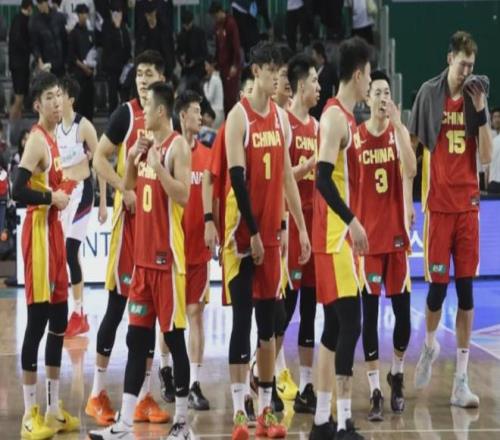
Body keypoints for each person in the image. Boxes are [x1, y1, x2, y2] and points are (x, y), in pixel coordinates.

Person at [89, 81, 193, 440]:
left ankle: (182, 424)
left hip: (168, 262)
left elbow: (183, 196)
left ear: (161, 111)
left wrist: (158, 167)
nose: (142, 112)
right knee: (136, 340)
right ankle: (124, 423)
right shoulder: (144, 143)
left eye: (147, 107)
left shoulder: (178, 147)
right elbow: (130, 187)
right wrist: (133, 157)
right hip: (142, 263)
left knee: (175, 340)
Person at [224, 41, 311, 440]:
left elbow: (288, 176)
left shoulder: (280, 119)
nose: (277, 77)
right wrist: (254, 233)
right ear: (256, 71)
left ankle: (263, 412)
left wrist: (301, 228)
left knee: (268, 325)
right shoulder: (238, 117)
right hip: (242, 237)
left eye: (280, 70)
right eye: (271, 69)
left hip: (272, 237)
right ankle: (238, 411)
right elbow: (237, 179)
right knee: (242, 321)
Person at [410, 31, 492, 407]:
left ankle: (461, 379)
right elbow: (412, 149)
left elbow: (486, 157)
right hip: (438, 207)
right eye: (462, 65)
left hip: (468, 207)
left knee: (467, 291)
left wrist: (482, 108)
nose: (466, 72)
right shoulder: (430, 94)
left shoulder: (476, 97)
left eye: (471, 66)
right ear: (449, 59)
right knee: (437, 292)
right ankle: (429, 345)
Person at [87, 50, 168, 426]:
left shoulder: (165, 119)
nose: (142, 79)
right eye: (139, 74)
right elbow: (98, 159)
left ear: (161, 77)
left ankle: (144, 396)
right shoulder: (126, 114)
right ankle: (96, 393)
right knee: (117, 307)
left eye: (149, 73)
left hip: (157, 230)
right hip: (130, 229)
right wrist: (123, 187)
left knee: (149, 313)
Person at [309, 36, 371, 440]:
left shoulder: (347, 118)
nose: (370, 81)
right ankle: (344, 422)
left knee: (333, 329)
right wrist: (352, 222)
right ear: (358, 74)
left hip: (340, 239)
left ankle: (321, 423)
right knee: (352, 323)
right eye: (369, 74)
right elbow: (322, 178)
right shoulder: (334, 117)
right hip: (334, 239)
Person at [12, 71, 80, 440]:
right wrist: (51, 197)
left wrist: (65, 186)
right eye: (50, 97)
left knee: (59, 319)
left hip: (53, 233)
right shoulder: (38, 140)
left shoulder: (53, 139)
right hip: (38, 234)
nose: (57, 103)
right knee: (37, 323)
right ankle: (29, 413)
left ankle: (53, 410)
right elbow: (17, 190)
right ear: (37, 104)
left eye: (59, 96)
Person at [356, 70, 416, 421]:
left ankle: (397, 373)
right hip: (368, 241)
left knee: (404, 318)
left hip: (395, 238)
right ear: (367, 99)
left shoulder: (398, 133)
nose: (383, 97)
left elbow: (411, 169)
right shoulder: (357, 138)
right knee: (369, 318)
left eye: (387, 93)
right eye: (377, 92)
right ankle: (375, 389)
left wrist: (399, 127)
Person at [277, 53, 320, 415]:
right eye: (315, 82)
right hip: (290, 226)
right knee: (285, 307)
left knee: (309, 309)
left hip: (314, 226)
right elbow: (280, 176)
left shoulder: (319, 127)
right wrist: (306, 166)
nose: (319, 88)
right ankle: (266, 373)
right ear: (301, 85)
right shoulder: (284, 124)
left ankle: (307, 385)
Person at [56, 76, 107, 337]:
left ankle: (78, 313)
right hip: (63, 194)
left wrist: (103, 202)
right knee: (66, 254)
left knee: (70, 251)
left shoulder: (83, 126)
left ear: (71, 99)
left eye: (60, 95)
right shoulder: (54, 128)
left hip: (83, 192)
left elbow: (101, 163)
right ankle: (77, 312)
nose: (56, 99)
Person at [178, 90, 212, 410]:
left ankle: (194, 384)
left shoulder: (208, 156)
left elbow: (214, 199)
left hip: (199, 249)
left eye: (201, 111)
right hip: (173, 250)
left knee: (195, 315)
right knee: (171, 320)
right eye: (194, 111)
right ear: (181, 116)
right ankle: (168, 375)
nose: (200, 116)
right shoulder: (169, 153)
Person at [209, 1, 242, 114]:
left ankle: (233, 118)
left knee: (230, 97)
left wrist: (235, 65)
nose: (214, 19)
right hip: (221, 66)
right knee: (223, 97)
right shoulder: (217, 26)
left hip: (230, 66)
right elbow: (218, 46)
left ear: (220, 12)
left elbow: (236, 45)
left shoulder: (231, 24)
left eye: (215, 16)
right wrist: (215, 63)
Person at [68, 3, 97, 121]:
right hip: (78, 75)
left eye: (85, 13)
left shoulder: (90, 33)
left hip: (89, 76)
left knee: (89, 105)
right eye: (81, 14)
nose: (84, 16)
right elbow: (71, 56)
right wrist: (83, 67)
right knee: (79, 106)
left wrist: (91, 68)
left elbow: (93, 52)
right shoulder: (73, 34)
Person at [101, 1, 132, 114]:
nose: (118, 16)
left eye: (119, 13)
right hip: (112, 67)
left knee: (125, 94)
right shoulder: (106, 26)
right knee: (113, 96)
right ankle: (112, 117)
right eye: (115, 13)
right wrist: (116, 29)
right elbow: (108, 46)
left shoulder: (124, 27)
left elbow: (127, 45)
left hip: (123, 66)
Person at [8, 0, 33, 121]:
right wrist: (29, 48)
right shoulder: (21, 21)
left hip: (19, 64)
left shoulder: (17, 19)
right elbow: (19, 41)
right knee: (19, 98)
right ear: (29, 7)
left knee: (20, 99)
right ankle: (11, 126)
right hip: (19, 65)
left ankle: (16, 124)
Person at [29, 0, 67, 77]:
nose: (39, 6)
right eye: (38, 3)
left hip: (60, 62)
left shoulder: (58, 17)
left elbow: (64, 39)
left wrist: (66, 60)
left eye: (41, 3)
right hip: (46, 62)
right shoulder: (35, 21)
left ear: (46, 2)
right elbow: (34, 44)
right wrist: (39, 60)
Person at [177, 9, 208, 87]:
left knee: (194, 85)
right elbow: (178, 51)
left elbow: (205, 53)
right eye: (185, 24)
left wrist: (195, 61)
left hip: (198, 69)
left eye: (188, 24)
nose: (187, 27)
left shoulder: (199, 33)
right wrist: (181, 60)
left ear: (192, 21)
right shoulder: (181, 35)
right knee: (182, 88)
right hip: (186, 69)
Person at [311, 42, 338, 120]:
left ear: (319, 55)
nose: (312, 56)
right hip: (314, 108)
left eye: (313, 54)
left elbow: (337, 86)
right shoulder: (313, 69)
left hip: (325, 107)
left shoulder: (330, 69)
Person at [203, 55, 225, 128]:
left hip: (216, 113)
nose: (205, 68)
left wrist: (205, 86)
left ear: (211, 65)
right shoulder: (217, 77)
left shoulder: (214, 79)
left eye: (206, 65)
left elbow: (209, 98)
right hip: (220, 112)